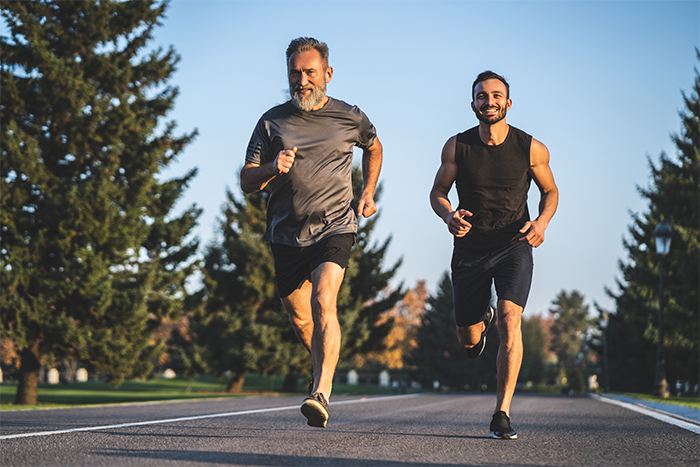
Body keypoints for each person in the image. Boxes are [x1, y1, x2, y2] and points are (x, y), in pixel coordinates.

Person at [240, 37, 382, 428]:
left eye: (309, 72)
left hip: (335, 226)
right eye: (295, 73)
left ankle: (321, 391)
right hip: (286, 233)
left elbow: (374, 146)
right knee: (301, 319)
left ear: (327, 74)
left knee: (323, 301)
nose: (302, 80)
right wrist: (271, 167)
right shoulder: (271, 121)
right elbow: (246, 180)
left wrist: (367, 192)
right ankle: (319, 365)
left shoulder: (349, 117)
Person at [429, 71, 558, 439]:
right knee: (469, 341)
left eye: (496, 95)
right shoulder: (457, 146)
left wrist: (542, 222)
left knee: (509, 318)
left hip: (514, 244)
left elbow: (551, 191)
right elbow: (438, 190)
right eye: (482, 96)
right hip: (470, 248)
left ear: (508, 103)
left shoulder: (531, 148)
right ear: (473, 105)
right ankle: (478, 318)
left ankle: (502, 412)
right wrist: (448, 214)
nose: (489, 102)